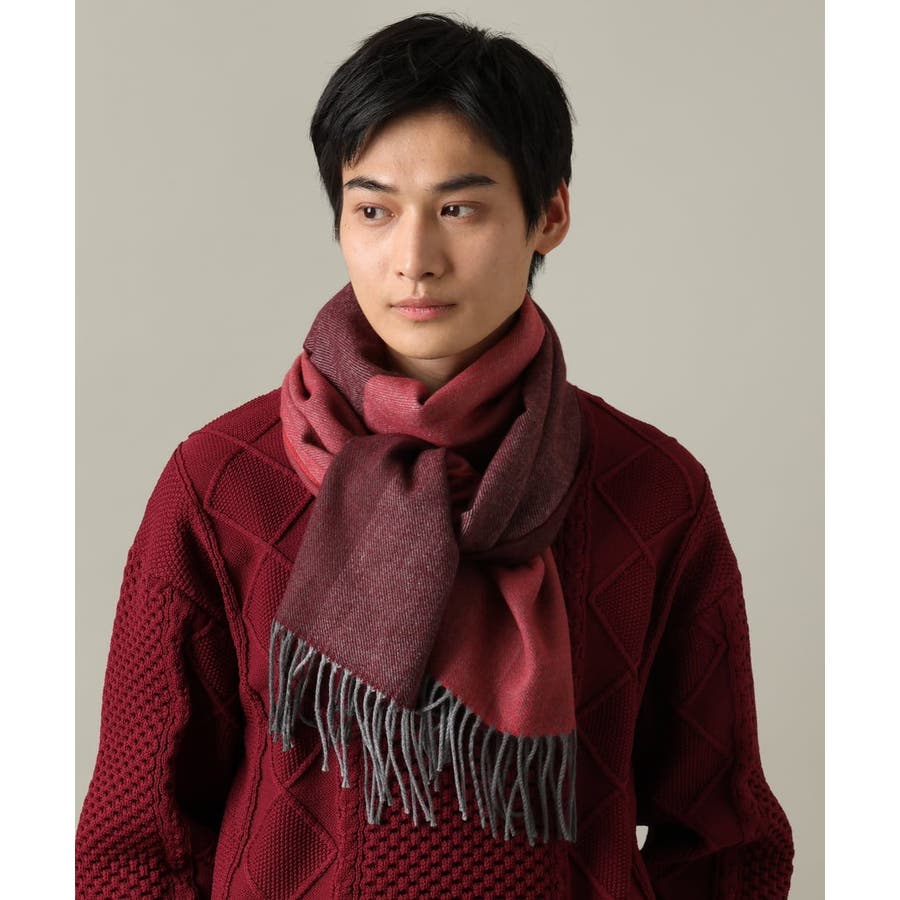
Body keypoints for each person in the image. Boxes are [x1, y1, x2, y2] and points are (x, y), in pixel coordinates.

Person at [75, 12, 794, 899]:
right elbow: (135, 841)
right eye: (374, 210)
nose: (413, 259)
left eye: (459, 208)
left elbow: (727, 842)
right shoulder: (224, 484)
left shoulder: (649, 489)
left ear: (550, 214)